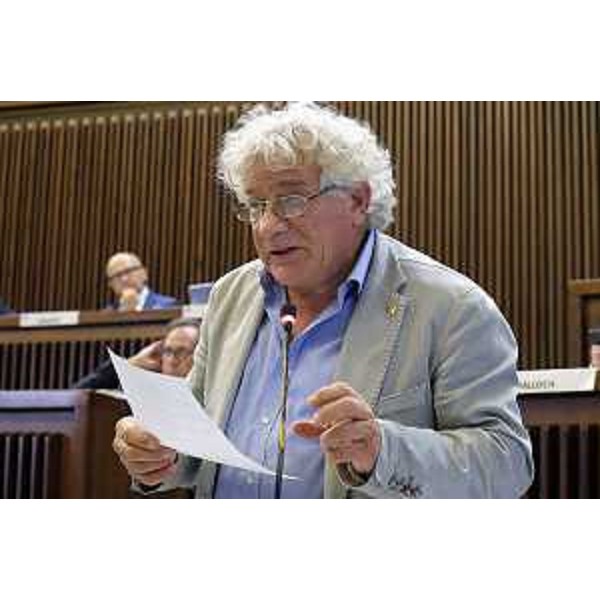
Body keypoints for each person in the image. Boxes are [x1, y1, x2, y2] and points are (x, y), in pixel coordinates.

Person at [113, 102, 534, 499]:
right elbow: (197, 438)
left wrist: (381, 451)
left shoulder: (452, 306)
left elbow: (507, 463)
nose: (268, 226)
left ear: (358, 200)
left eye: (291, 200)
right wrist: (159, 452)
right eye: (256, 205)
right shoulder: (231, 295)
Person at [74, 318, 200, 389]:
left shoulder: (209, 397)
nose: (172, 360)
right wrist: (130, 364)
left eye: (182, 352)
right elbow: (78, 394)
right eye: (167, 351)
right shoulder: (146, 393)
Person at [105, 252, 178, 311]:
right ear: (111, 284)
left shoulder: (169, 306)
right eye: (117, 275)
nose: (124, 279)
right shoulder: (108, 314)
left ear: (144, 274)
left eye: (128, 271)